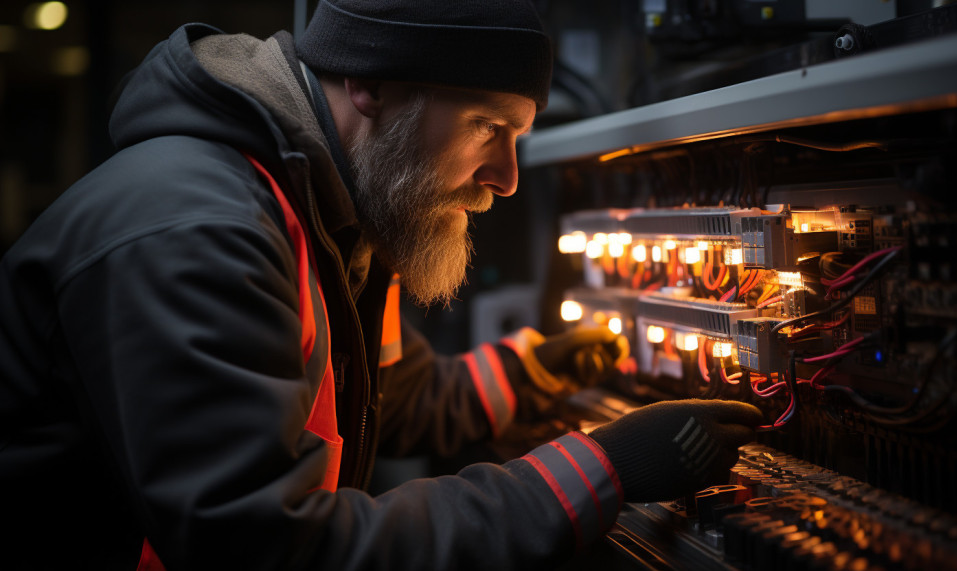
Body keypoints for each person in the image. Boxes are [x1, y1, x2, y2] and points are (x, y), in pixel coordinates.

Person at [0, 0, 763, 569]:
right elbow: (267, 550)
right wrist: (599, 469)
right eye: (487, 127)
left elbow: (388, 403)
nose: (505, 178)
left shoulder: (333, 207)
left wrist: (531, 369)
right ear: (370, 84)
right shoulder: (201, 233)